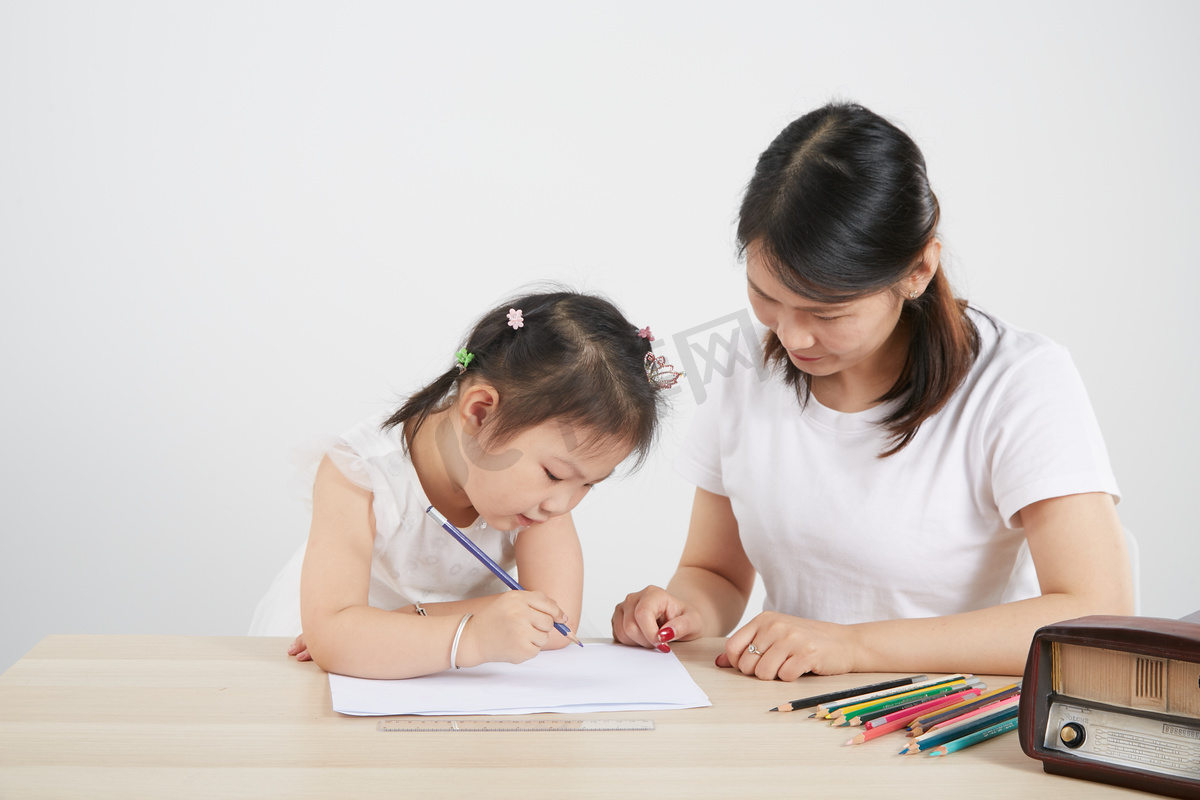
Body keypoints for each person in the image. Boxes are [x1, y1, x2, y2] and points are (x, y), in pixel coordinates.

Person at [611, 102, 1133, 680]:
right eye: (766, 296)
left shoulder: (1017, 379)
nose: (790, 335)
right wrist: (683, 611)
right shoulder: (743, 366)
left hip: (947, 721)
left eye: (827, 312)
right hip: (786, 712)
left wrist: (853, 647)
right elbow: (717, 575)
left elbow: (1096, 614)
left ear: (918, 271)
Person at [251, 290, 673, 679]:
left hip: (464, 660)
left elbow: (557, 622)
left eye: (589, 485)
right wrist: (471, 634)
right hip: (368, 669)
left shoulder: (539, 503)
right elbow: (334, 636)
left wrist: (417, 623)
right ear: (480, 412)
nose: (562, 504)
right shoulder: (360, 472)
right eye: (555, 475)